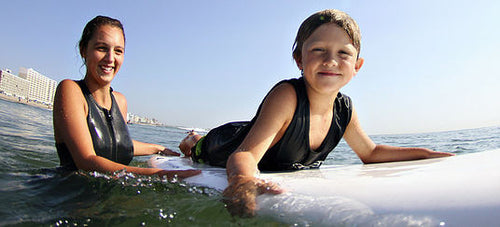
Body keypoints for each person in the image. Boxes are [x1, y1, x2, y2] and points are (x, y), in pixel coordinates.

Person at [179, 9, 454, 217]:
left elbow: (370, 153)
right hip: (226, 143)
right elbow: (246, 154)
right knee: (197, 148)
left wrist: (428, 155)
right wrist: (242, 181)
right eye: (318, 50)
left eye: (343, 53)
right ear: (299, 58)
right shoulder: (286, 95)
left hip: (257, 131)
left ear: (357, 66)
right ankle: (193, 138)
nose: (331, 61)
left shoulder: (344, 109)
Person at [53, 15, 200, 179]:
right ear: (83, 50)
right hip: (71, 197)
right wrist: (161, 174)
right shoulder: (71, 90)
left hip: (110, 198)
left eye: (118, 51)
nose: (110, 59)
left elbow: (115, 143)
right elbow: (86, 161)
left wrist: (157, 148)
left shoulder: (120, 101)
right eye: (101, 48)